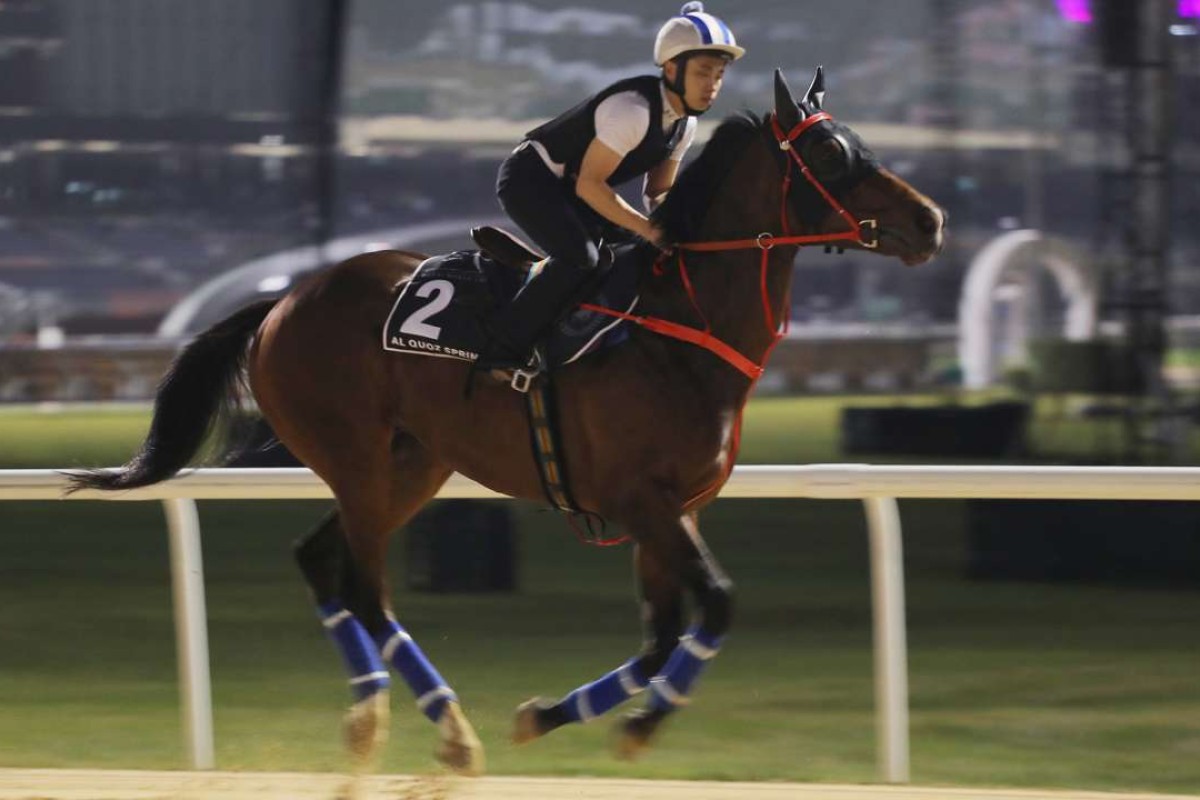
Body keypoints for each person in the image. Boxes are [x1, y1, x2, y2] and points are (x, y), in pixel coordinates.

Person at [480, 1, 745, 371]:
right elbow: (591, 186)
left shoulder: (685, 125)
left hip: (574, 190)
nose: (712, 85)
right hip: (530, 181)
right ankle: (502, 349)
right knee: (582, 258)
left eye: (718, 75)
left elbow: (657, 193)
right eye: (703, 72)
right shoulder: (632, 111)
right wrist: (650, 229)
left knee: (643, 255)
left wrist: (676, 231)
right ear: (672, 68)